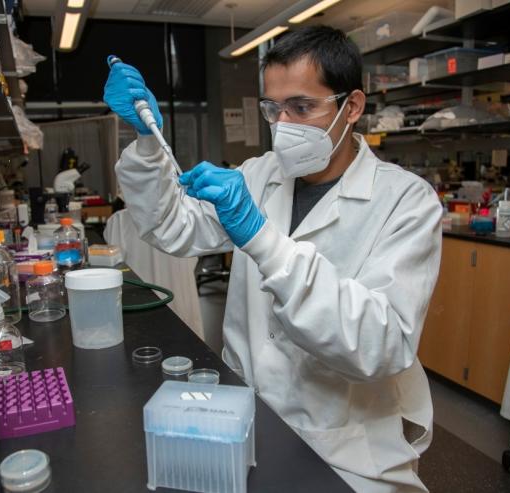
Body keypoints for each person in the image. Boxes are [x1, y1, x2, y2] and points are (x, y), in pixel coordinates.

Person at [104, 26, 442, 492]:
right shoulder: (262, 174)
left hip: (344, 445)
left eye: (301, 107)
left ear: (353, 107)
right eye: (273, 108)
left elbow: (380, 345)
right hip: (245, 417)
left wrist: (263, 240)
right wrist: (146, 140)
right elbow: (170, 227)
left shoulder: (406, 201)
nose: (283, 124)